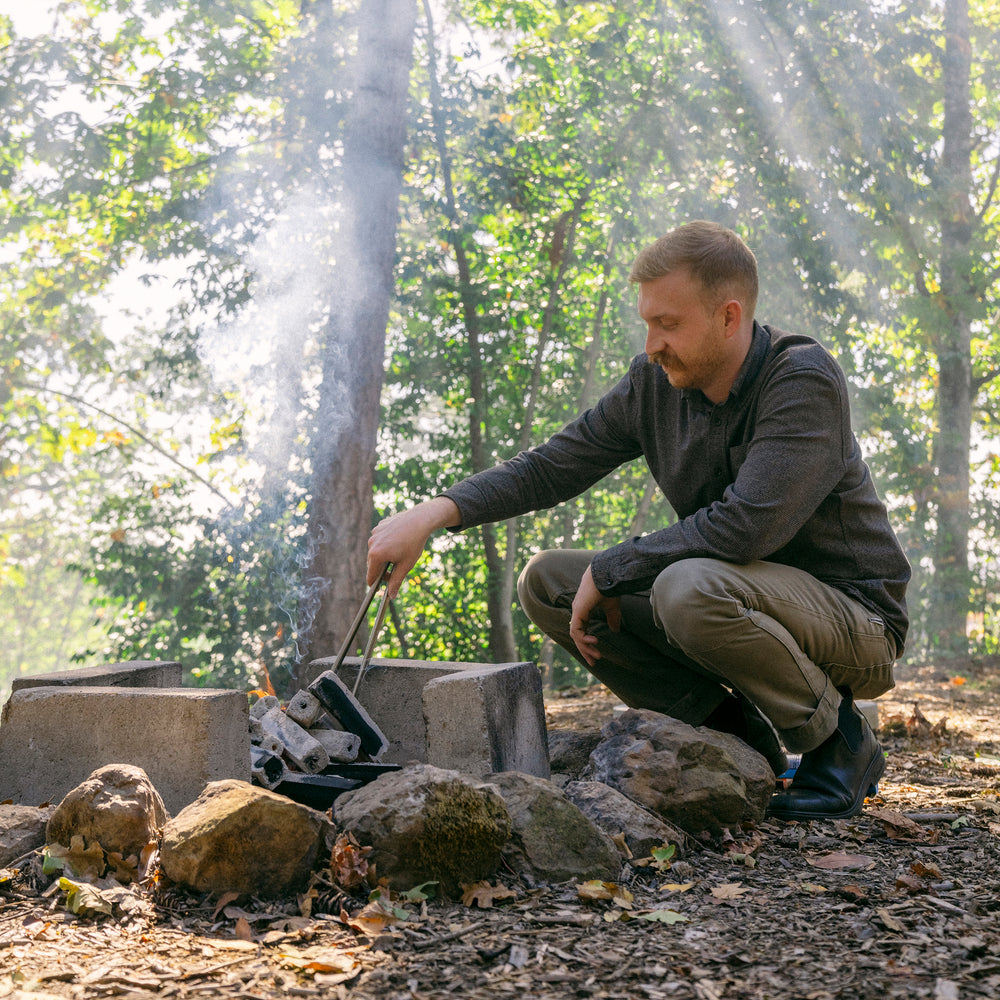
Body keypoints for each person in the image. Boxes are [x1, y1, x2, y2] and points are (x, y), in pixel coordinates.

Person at [367, 220, 910, 821]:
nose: (652, 343)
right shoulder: (655, 383)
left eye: (669, 324)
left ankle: (840, 742)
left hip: (854, 621)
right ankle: (734, 739)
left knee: (686, 587)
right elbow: (553, 466)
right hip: (736, 599)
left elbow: (748, 527)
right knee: (549, 581)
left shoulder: (801, 379)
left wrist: (620, 565)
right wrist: (434, 513)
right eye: (649, 322)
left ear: (729, 317)